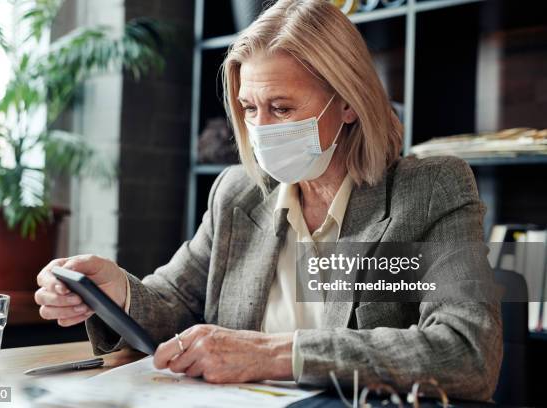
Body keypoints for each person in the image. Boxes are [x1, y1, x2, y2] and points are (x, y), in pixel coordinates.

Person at [34, 0, 502, 400]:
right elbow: (173, 303)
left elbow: (466, 350)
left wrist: (273, 353)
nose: (262, 128)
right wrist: (116, 292)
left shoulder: (428, 190)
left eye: (282, 108)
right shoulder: (237, 194)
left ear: (348, 104)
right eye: (250, 109)